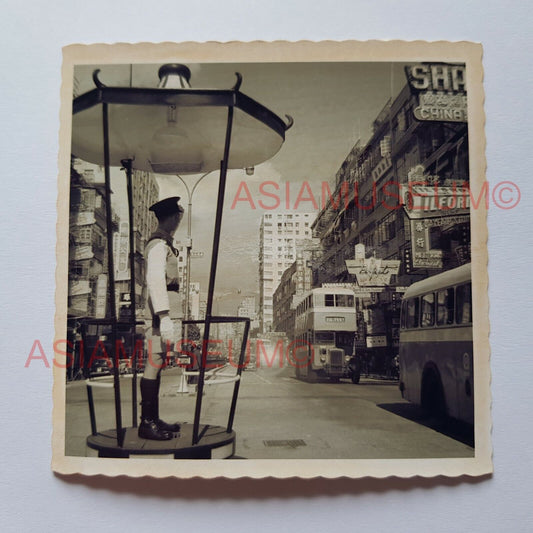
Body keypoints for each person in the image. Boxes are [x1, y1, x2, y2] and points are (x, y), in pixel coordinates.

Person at [139, 196, 184, 440]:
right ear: (174, 218)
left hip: (161, 313)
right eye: (179, 216)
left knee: (157, 361)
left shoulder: (163, 243)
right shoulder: (158, 244)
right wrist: (164, 317)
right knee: (154, 361)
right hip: (158, 314)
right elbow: (155, 280)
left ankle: (152, 419)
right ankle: (147, 423)